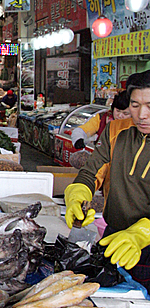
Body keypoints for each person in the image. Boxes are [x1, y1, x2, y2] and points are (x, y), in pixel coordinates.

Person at [64, 71, 150, 293]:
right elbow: (93, 170)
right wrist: (78, 194)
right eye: (135, 105)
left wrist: (142, 233)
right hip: (114, 236)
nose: (142, 115)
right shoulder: (116, 131)